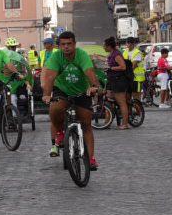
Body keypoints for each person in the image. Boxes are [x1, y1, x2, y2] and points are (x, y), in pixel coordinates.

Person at [41, 31, 100, 169]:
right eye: (63, 44)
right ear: (59, 46)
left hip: (81, 91)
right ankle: (60, 133)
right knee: (55, 108)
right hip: (62, 90)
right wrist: (47, 94)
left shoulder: (82, 55)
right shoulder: (56, 57)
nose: (66, 47)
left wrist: (94, 86)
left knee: (86, 123)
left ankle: (91, 158)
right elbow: (50, 77)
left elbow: (89, 72)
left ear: (74, 44)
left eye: (69, 44)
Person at [103, 37, 132, 130]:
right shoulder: (111, 54)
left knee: (121, 102)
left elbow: (123, 67)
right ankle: (108, 121)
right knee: (108, 99)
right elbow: (106, 60)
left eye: (104, 45)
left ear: (109, 46)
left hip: (119, 80)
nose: (103, 47)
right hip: (111, 80)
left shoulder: (117, 54)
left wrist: (111, 68)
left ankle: (125, 123)